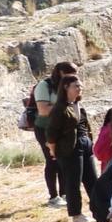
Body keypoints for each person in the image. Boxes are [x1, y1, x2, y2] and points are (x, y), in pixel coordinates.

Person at [46, 74, 98, 222]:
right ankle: (77, 215)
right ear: (65, 87)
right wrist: (53, 150)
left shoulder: (78, 105)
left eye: (80, 86)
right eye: (76, 86)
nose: (79, 88)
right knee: (73, 182)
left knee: (92, 180)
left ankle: (99, 209)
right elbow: (51, 133)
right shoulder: (59, 108)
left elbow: (85, 126)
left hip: (85, 144)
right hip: (70, 148)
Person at [33, 61, 78, 208]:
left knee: (63, 160)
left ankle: (64, 193)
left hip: (62, 129)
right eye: (71, 74)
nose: (74, 77)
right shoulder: (44, 86)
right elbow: (43, 110)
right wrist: (62, 107)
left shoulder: (67, 86)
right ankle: (53, 196)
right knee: (51, 160)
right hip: (45, 128)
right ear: (61, 73)